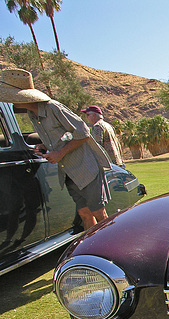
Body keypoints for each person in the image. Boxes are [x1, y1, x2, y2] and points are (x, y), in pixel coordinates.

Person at [0, 68, 110, 230]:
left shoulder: (53, 108)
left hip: (85, 169)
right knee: (84, 213)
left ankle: (110, 245)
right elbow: (67, 134)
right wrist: (46, 146)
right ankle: (92, 247)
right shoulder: (33, 115)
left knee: (98, 212)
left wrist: (59, 153)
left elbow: (82, 132)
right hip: (68, 172)